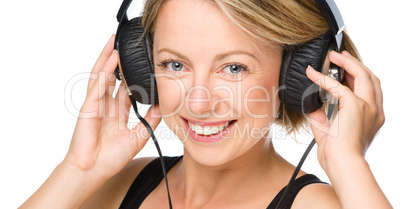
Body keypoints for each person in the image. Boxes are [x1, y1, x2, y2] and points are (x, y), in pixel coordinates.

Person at [20, 0, 392, 208]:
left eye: (233, 68)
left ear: (297, 75)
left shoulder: (313, 206)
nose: (198, 102)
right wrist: (79, 171)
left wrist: (349, 164)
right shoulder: (122, 185)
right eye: (175, 64)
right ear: (142, 70)